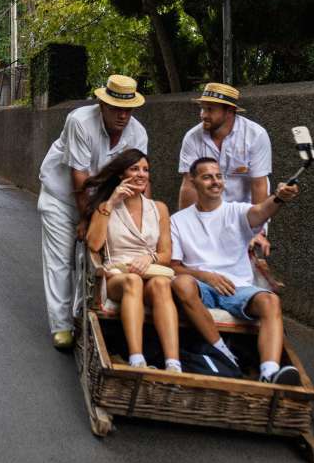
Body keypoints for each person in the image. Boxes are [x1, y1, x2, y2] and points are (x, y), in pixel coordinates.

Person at [38, 75, 149, 349]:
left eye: (128, 109)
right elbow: (80, 177)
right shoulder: (80, 121)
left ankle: (81, 319)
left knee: (93, 259)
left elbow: (140, 177)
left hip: (103, 200)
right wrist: (86, 219)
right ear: (102, 104)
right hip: (62, 197)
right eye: (116, 109)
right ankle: (61, 326)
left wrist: (146, 224)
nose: (123, 116)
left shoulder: (139, 133)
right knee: (62, 260)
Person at [169, 158, 302, 384]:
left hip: (237, 288)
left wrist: (279, 197)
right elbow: (174, 266)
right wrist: (206, 276)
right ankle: (224, 353)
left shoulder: (238, 211)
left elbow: (262, 210)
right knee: (180, 283)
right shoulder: (178, 220)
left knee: (271, 302)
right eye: (207, 177)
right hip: (202, 287)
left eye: (218, 176)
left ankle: (269, 373)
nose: (215, 181)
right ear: (193, 182)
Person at [83, 149, 179, 371]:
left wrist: (149, 256)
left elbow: (166, 255)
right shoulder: (105, 206)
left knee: (162, 284)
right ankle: (137, 360)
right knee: (132, 281)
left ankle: (173, 364)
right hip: (118, 273)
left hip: (151, 270)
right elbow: (94, 245)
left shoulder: (159, 208)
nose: (141, 174)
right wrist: (111, 202)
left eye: (145, 170)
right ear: (121, 174)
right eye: (134, 169)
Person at [178, 82, 274, 256]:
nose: (203, 115)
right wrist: (184, 228)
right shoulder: (192, 138)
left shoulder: (256, 135)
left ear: (229, 111)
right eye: (202, 109)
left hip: (244, 216)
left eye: (210, 110)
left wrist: (257, 231)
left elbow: (259, 186)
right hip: (206, 215)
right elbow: (189, 186)